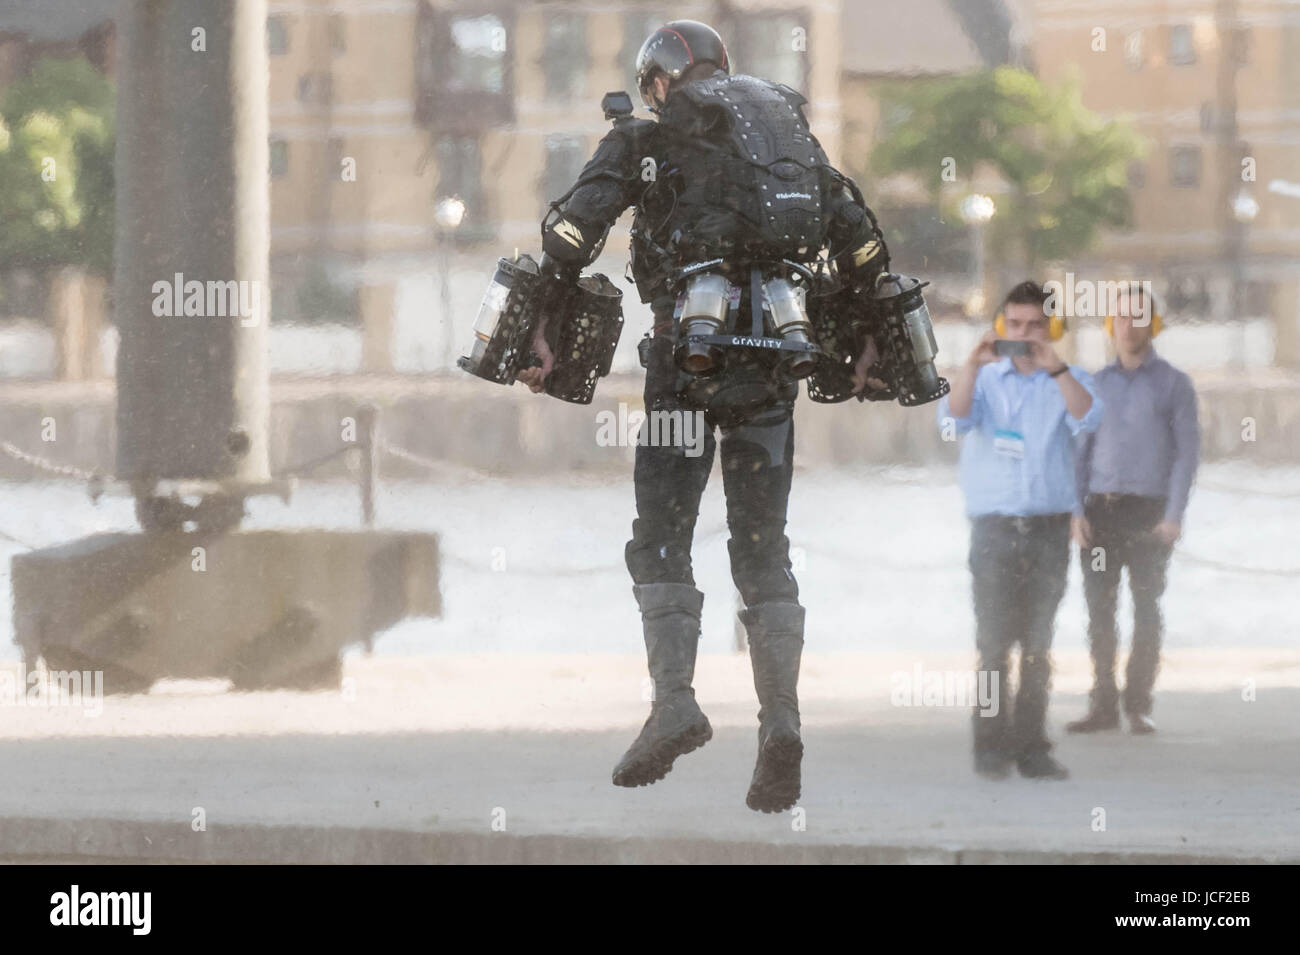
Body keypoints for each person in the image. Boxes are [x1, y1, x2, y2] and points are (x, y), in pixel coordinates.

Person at [518, 20, 891, 812]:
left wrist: (541, 326)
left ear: (657, 82)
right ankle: (781, 720)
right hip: (771, 366)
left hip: (686, 367)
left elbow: (573, 237)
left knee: (660, 535)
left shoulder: (644, 138)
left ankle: (675, 701)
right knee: (764, 548)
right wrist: (861, 342)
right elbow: (862, 246)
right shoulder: (785, 143)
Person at [937, 281, 1103, 780]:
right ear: (1000, 326)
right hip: (993, 528)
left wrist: (1054, 366)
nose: (1024, 334)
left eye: (1034, 326)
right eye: (1015, 325)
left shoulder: (1070, 377)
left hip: (1049, 528)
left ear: (1050, 328)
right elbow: (951, 424)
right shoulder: (984, 379)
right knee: (992, 644)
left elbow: (1089, 417)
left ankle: (1032, 747)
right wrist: (971, 365)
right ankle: (989, 748)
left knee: (1037, 645)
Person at [1068, 285, 1199, 735]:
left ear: (1152, 324)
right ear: (1111, 325)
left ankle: (1138, 705)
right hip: (1099, 514)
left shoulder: (1174, 385)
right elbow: (1078, 454)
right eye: (1120, 318)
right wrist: (1074, 511)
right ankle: (1102, 705)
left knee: (1147, 609)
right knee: (1099, 611)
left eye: (1137, 318)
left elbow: (1186, 455)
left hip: (1150, 515)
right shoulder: (1096, 385)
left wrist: (1174, 515)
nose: (1128, 326)